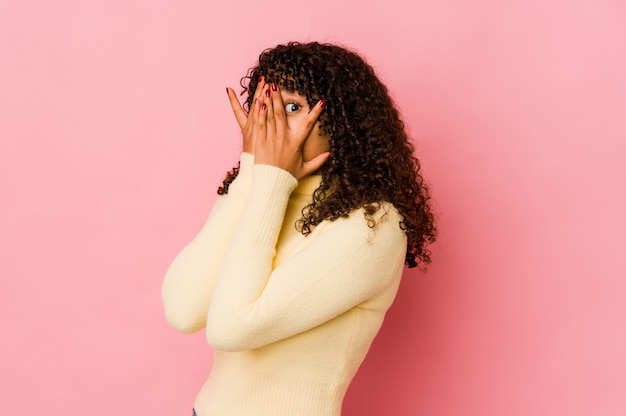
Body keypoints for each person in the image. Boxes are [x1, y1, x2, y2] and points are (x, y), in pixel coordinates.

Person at [161, 41, 436, 416]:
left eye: (291, 107)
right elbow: (183, 309)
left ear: (341, 119)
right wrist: (251, 173)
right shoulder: (261, 191)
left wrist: (269, 178)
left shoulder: (374, 224)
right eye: (263, 105)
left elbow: (231, 328)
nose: (270, 123)